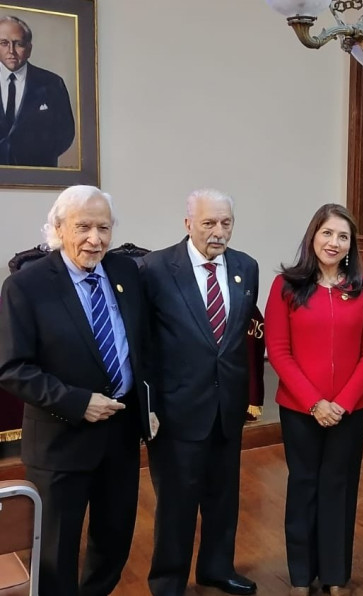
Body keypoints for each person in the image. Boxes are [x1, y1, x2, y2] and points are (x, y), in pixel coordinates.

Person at [0, 185, 156, 596]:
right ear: (58, 228)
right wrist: (77, 402)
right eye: (83, 226)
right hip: (60, 441)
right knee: (55, 550)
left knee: (114, 540)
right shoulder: (26, 285)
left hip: (120, 437)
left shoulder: (125, 272)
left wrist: (148, 403)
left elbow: (140, 345)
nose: (95, 238)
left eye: (103, 227)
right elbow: (12, 368)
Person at [141, 189, 260, 596]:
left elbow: (236, 339)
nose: (218, 232)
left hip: (226, 406)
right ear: (188, 222)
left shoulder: (247, 266)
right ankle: (168, 582)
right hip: (177, 409)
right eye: (209, 223)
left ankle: (216, 568)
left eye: (226, 223)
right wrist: (151, 406)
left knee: (223, 498)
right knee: (176, 505)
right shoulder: (155, 268)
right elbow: (144, 344)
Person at [265, 204, 363, 596]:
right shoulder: (285, 286)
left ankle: (334, 574)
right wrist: (315, 402)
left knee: (339, 487)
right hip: (300, 408)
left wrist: (343, 402)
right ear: (313, 236)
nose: (334, 242)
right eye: (327, 233)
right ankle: (301, 574)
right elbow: (278, 351)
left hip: (351, 410)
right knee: (303, 486)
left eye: (342, 236)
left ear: (351, 245)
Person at [0, 15, 75, 167]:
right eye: (4, 43)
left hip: (37, 174)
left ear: (29, 49)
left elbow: (65, 134)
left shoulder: (52, 84)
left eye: (18, 44)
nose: (11, 51)